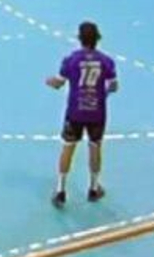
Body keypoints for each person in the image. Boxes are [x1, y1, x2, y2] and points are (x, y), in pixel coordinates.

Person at [45, 21, 117, 207]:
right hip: (97, 113)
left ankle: (61, 190)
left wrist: (49, 81)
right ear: (97, 39)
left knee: (68, 147)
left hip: (75, 111)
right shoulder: (107, 61)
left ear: (79, 39)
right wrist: (103, 95)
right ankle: (94, 188)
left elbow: (59, 82)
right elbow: (113, 85)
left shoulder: (71, 60)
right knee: (95, 147)